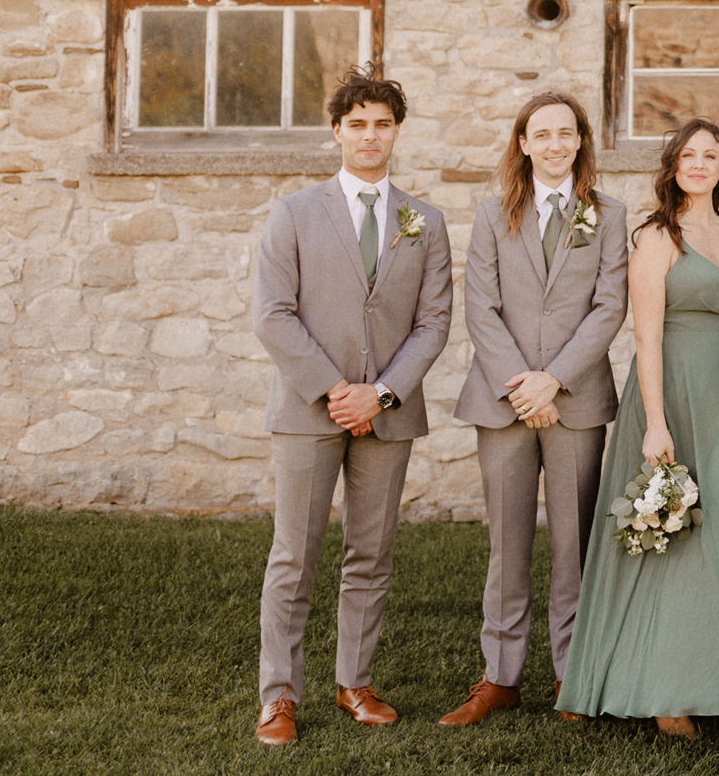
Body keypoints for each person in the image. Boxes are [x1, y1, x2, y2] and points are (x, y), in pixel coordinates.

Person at [557, 120, 719, 735]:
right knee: (675, 540)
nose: (698, 164)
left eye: (709, 155)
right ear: (673, 165)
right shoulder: (655, 237)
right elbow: (646, 336)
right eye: (687, 155)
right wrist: (655, 423)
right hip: (675, 400)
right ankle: (665, 692)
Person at [248, 67, 453, 747]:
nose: (370, 135)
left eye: (382, 124)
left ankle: (354, 683)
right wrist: (338, 392)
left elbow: (433, 323)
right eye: (358, 124)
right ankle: (279, 696)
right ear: (337, 131)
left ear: (397, 132)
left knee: (372, 553)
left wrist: (381, 393)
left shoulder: (425, 222)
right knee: (294, 555)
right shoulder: (293, 213)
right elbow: (272, 314)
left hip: (388, 414)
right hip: (309, 411)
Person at [442, 91, 630, 727]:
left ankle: (572, 673)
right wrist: (523, 387)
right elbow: (480, 306)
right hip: (504, 403)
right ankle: (500, 677)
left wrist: (554, 381)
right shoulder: (494, 213)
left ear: (580, 141)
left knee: (574, 545)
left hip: (575, 400)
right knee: (507, 544)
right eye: (541, 134)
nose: (555, 144)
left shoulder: (608, 215)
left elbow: (609, 306)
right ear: (523, 144)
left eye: (566, 133)